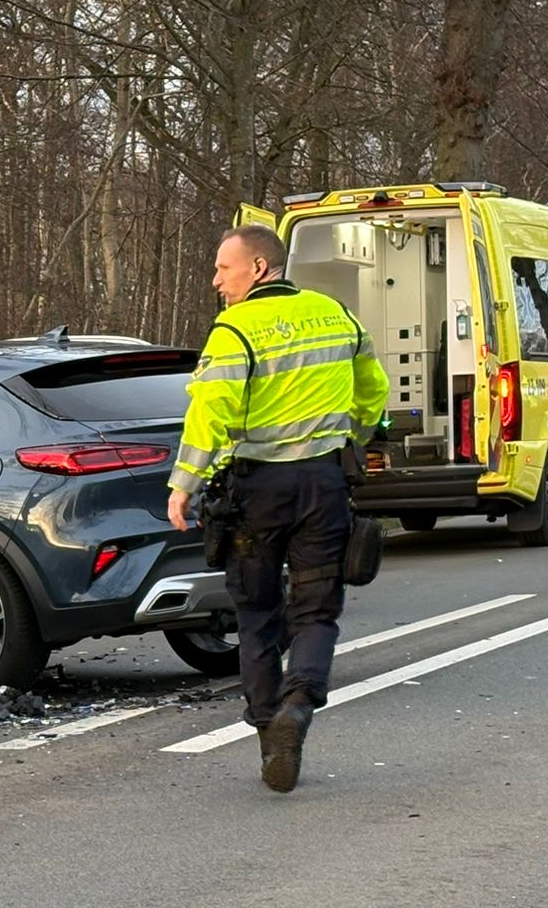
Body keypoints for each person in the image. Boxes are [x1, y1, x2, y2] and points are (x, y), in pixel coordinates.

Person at [166, 224, 387, 793]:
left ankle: (269, 730)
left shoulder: (234, 329)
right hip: (324, 483)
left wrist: (184, 483)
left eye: (224, 268)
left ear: (259, 268)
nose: (216, 280)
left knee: (258, 615)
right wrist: (352, 438)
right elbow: (374, 390)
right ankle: (299, 707)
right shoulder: (336, 314)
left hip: (256, 490)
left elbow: (211, 409)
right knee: (316, 610)